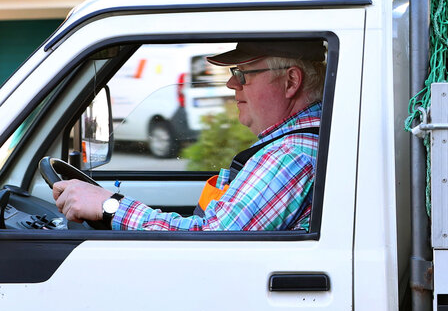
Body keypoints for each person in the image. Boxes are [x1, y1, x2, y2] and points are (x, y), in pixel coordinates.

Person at [53, 40, 326, 231]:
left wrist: (110, 207)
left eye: (242, 74)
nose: (232, 84)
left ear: (291, 81)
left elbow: (212, 240)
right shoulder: (292, 145)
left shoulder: (290, 155)